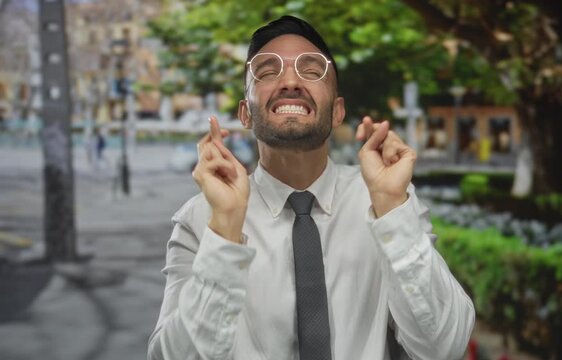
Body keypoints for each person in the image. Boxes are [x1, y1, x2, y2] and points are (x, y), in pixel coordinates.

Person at [148, 16, 474, 360]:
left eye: (312, 69)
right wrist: (226, 231)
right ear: (245, 113)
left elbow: (444, 347)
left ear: (337, 111)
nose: (290, 80)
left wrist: (393, 207)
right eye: (268, 71)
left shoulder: (384, 204)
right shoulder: (201, 219)